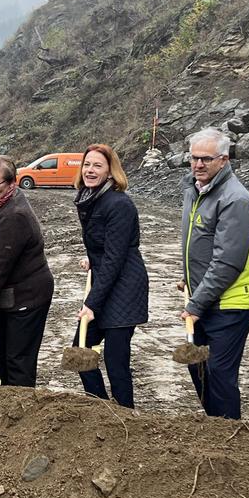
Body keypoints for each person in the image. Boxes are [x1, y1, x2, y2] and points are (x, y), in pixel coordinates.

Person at [179, 127, 249, 419]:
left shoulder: (235, 200)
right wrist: (189, 279)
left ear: (224, 160)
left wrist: (197, 303)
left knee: (219, 371)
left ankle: (229, 435)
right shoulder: (195, 190)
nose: (198, 164)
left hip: (232, 301)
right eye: (194, 158)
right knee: (198, 365)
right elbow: (198, 244)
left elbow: (228, 261)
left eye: (206, 159)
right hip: (207, 297)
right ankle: (216, 425)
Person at [72, 144, 147, 407]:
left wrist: (91, 304)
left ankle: (125, 413)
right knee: (79, 352)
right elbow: (103, 246)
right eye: (87, 165)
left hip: (125, 287)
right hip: (105, 280)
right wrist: (92, 258)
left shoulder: (119, 204)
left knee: (116, 362)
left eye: (97, 166)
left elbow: (116, 257)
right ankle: (102, 409)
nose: (90, 170)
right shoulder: (89, 197)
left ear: (110, 171)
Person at [0, 155, 54, 387]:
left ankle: (21, 410)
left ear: (11, 184)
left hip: (26, 297)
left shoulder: (14, 215)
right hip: (7, 295)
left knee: (18, 360)